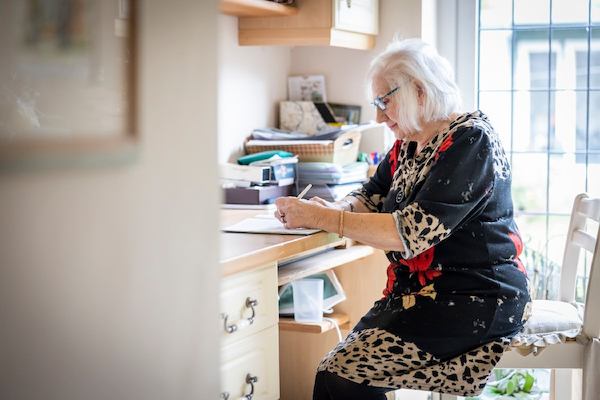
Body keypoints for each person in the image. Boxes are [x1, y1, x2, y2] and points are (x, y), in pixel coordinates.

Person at [274, 38, 531, 400]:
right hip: (421, 293)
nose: (379, 116)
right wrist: (336, 210)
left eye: (384, 101)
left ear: (420, 91)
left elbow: (410, 231)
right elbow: (369, 195)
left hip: (477, 296)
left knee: (339, 379)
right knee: (336, 376)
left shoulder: (471, 141)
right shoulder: (410, 142)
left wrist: (328, 219)